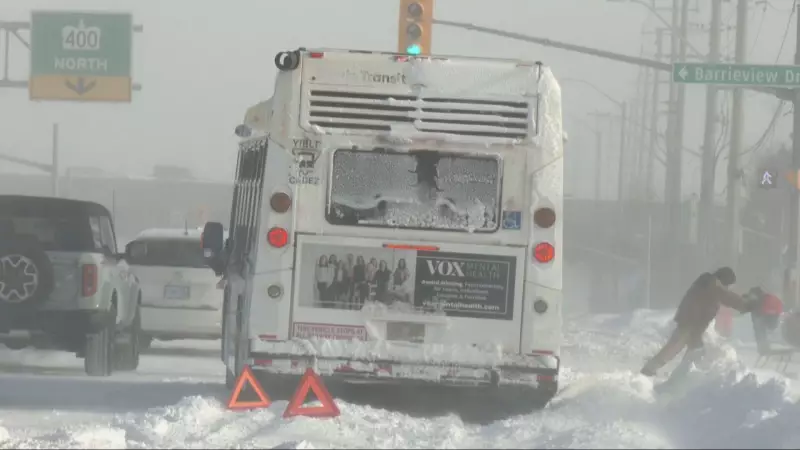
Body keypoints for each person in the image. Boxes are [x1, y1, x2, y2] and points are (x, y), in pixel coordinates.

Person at [640, 267, 754, 377]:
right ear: (725, 280)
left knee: (693, 350)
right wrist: (745, 305)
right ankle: (650, 369)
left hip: (693, 323)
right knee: (675, 347)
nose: (729, 287)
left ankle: (683, 373)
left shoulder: (710, 283)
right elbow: (728, 297)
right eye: (729, 285)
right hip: (690, 322)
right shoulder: (713, 284)